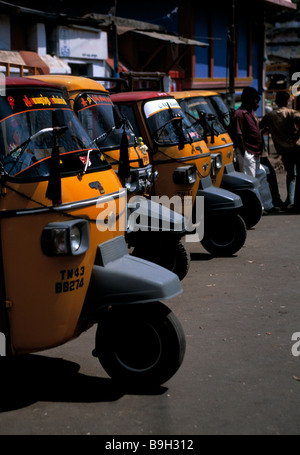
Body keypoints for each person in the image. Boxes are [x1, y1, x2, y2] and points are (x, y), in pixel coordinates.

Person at [232, 86, 276, 214]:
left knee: (261, 176)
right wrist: (245, 152)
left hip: (255, 153)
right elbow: (238, 134)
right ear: (249, 100)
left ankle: (268, 205)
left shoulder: (250, 112)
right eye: (256, 101)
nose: (257, 104)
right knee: (250, 181)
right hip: (248, 153)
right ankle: (257, 209)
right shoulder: (240, 114)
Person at [259, 91, 300, 213]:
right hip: (296, 147)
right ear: (287, 101)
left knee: (291, 174)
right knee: (295, 175)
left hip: (284, 149)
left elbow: (260, 126)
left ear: (276, 101)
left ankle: (291, 201)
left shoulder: (270, 115)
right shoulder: (291, 113)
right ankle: (294, 202)